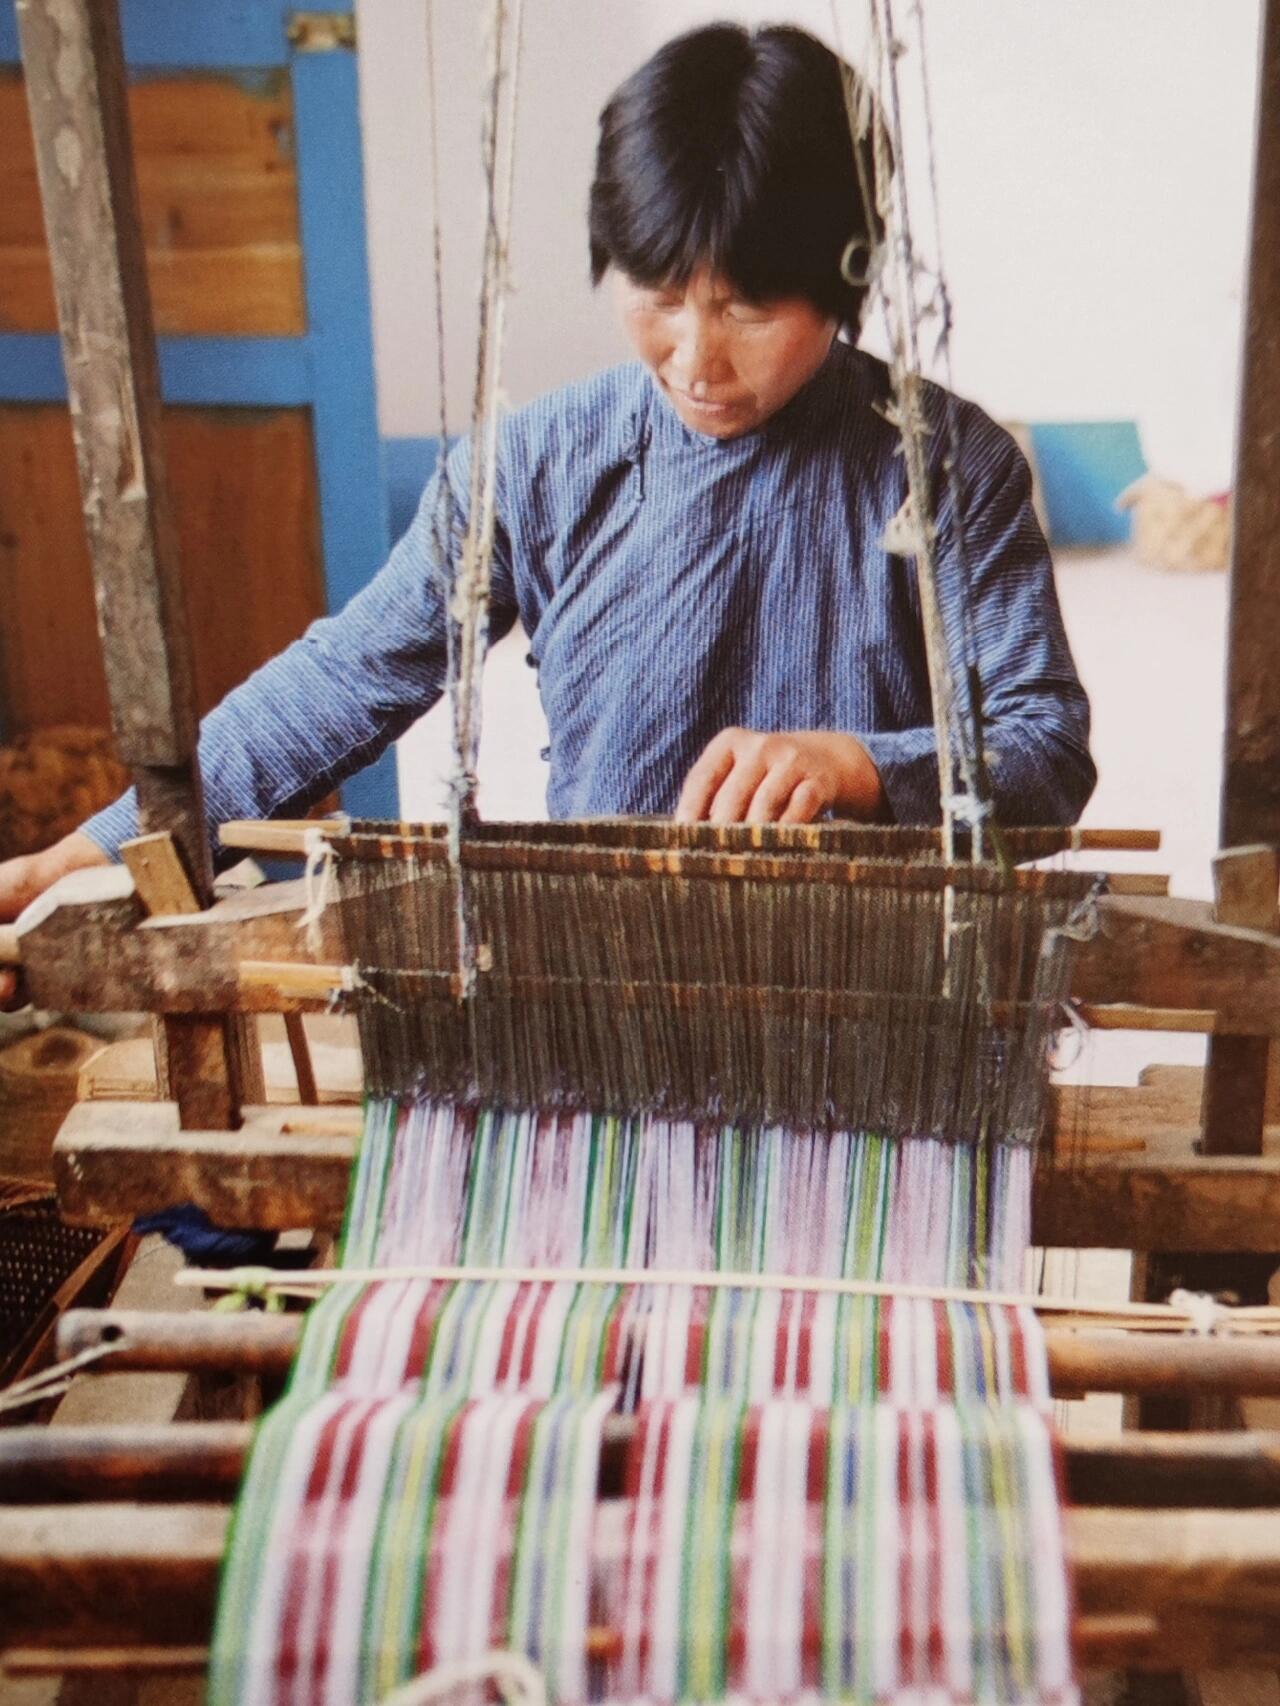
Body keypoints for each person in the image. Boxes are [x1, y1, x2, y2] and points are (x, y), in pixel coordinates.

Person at [0, 20, 1095, 1012]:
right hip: (597, 1001)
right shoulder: (535, 464)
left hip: (875, 1011)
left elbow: (1044, 749)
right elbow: (343, 678)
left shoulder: (946, 464)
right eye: (658, 296)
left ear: (843, 276)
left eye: (749, 308)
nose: (695, 357)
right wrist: (96, 851)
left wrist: (857, 763)